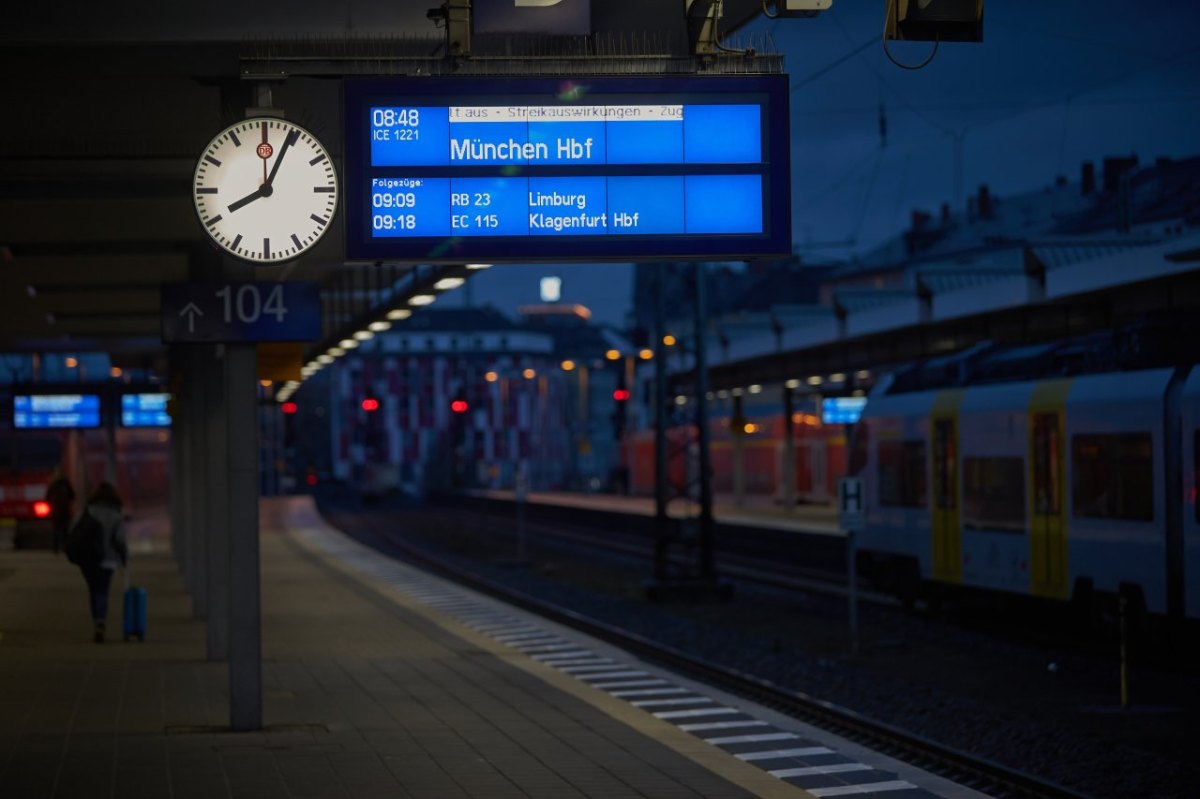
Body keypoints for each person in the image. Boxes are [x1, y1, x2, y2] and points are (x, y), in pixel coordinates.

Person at [71, 482, 129, 643]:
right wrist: (124, 558)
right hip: (108, 560)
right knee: (102, 591)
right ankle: (101, 622)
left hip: (88, 560)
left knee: (93, 590)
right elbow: (120, 540)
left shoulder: (88, 511)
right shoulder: (116, 515)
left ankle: (97, 620)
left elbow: (75, 531)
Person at [45, 469, 76, 554]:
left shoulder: (53, 485)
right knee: (65, 530)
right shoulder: (66, 484)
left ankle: (56, 549)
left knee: (56, 530)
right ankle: (64, 548)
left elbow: (47, 498)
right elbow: (72, 496)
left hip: (56, 511)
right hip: (65, 511)